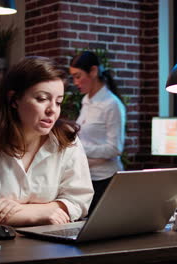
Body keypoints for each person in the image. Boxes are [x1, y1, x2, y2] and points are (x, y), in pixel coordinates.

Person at [0, 56, 94, 226]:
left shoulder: (67, 139)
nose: (52, 110)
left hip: (50, 246)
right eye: (42, 99)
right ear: (14, 99)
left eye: (58, 102)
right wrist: (37, 215)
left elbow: (78, 201)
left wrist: (19, 210)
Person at [69, 51, 126, 214]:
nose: (75, 82)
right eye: (73, 77)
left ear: (93, 71)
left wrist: (79, 149)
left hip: (107, 180)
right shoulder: (85, 100)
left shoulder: (112, 104)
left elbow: (115, 148)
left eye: (78, 76)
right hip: (88, 178)